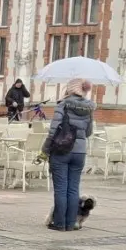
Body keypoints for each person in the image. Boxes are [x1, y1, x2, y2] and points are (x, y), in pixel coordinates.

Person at [47, 79, 95, 232]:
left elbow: (53, 130)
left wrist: (45, 149)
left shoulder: (63, 105)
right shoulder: (88, 108)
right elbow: (88, 132)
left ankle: (59, 223)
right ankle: (70, 223)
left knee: (61, 189)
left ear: (70, 89)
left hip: (62, 150)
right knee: (73, 189)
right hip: (79, 151)